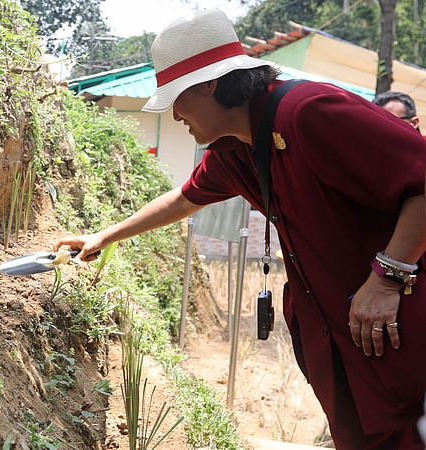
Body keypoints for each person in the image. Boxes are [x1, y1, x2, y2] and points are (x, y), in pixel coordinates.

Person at [55, 10, 426, 449]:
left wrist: (387, 278)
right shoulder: (235, 147)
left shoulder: (310, 112)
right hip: (345, 342)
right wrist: (106, 235)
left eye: (178, 97)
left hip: (401, 328)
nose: (175, 115)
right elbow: (185, 197)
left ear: (211, 83)